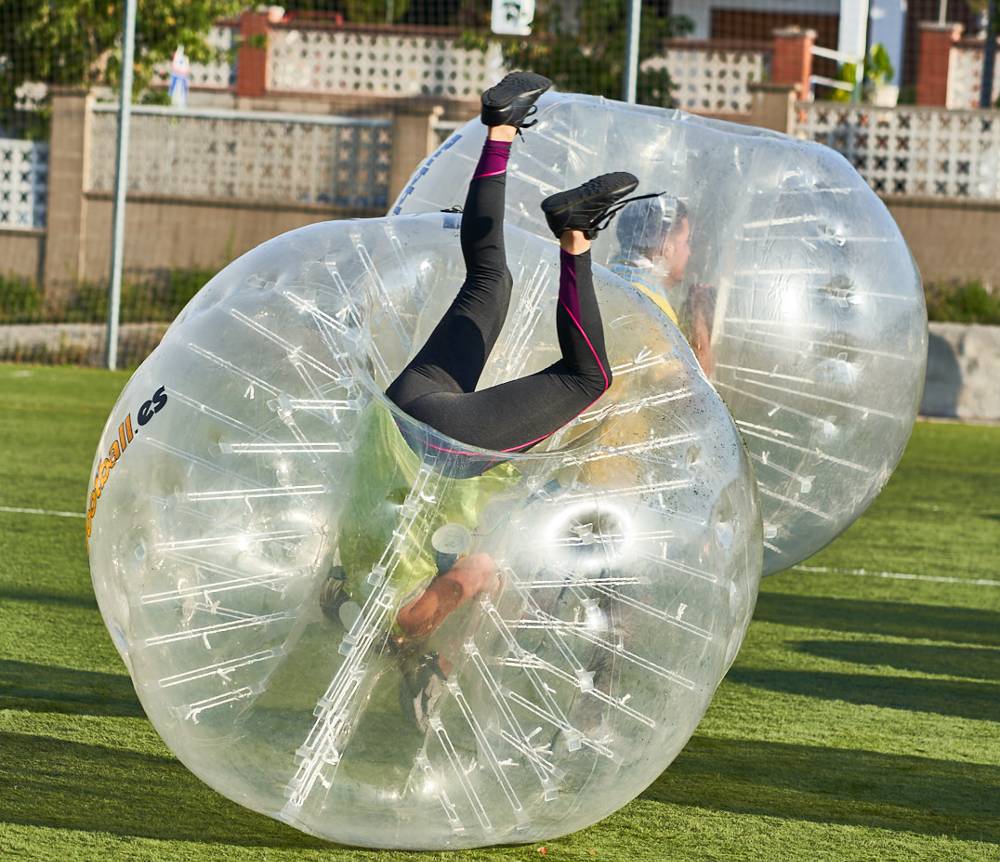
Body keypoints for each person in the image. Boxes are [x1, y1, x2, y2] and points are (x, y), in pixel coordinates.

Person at [322, 71, 653, 728]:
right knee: (489, 280)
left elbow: (468, 576)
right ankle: (501, 126)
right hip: (400, 409)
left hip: (434, 443)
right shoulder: (355, 571)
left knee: (587, 378)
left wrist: (427, 628)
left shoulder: (393, 611)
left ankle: (575, 233)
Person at [610, 194, 717, 376]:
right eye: (685, 242)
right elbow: (690, 385)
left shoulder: (610, 278)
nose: (689, 252)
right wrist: (698, 315)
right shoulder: (651, 305)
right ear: (666, 247)